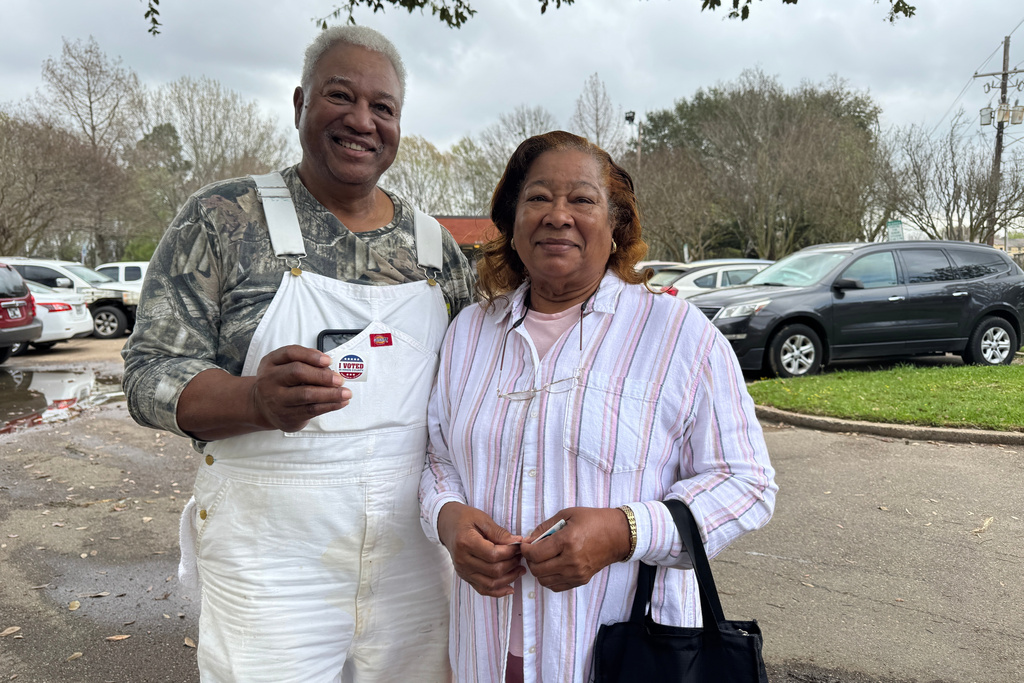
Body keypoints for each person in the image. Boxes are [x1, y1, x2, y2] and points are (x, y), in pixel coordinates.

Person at [122, 25, 475, 682]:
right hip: (269, 557)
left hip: (412, 558)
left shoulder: (435, 250)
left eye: (384, 108)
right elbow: (147, 374)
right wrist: (250, 398)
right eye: (340, 97)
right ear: (299, 104)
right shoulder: (225, 219)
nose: (362, 121)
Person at [419, 131, 777, 683]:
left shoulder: (680, 336)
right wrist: (447, 518)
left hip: (623, 652)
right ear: (512, 225)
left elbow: (745, 482)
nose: (557, 216)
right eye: (538, 198)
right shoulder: (470, 333)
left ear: (616, 228)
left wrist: (625, 532)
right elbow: (437, 456)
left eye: (582, 200)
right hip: (487, 649)